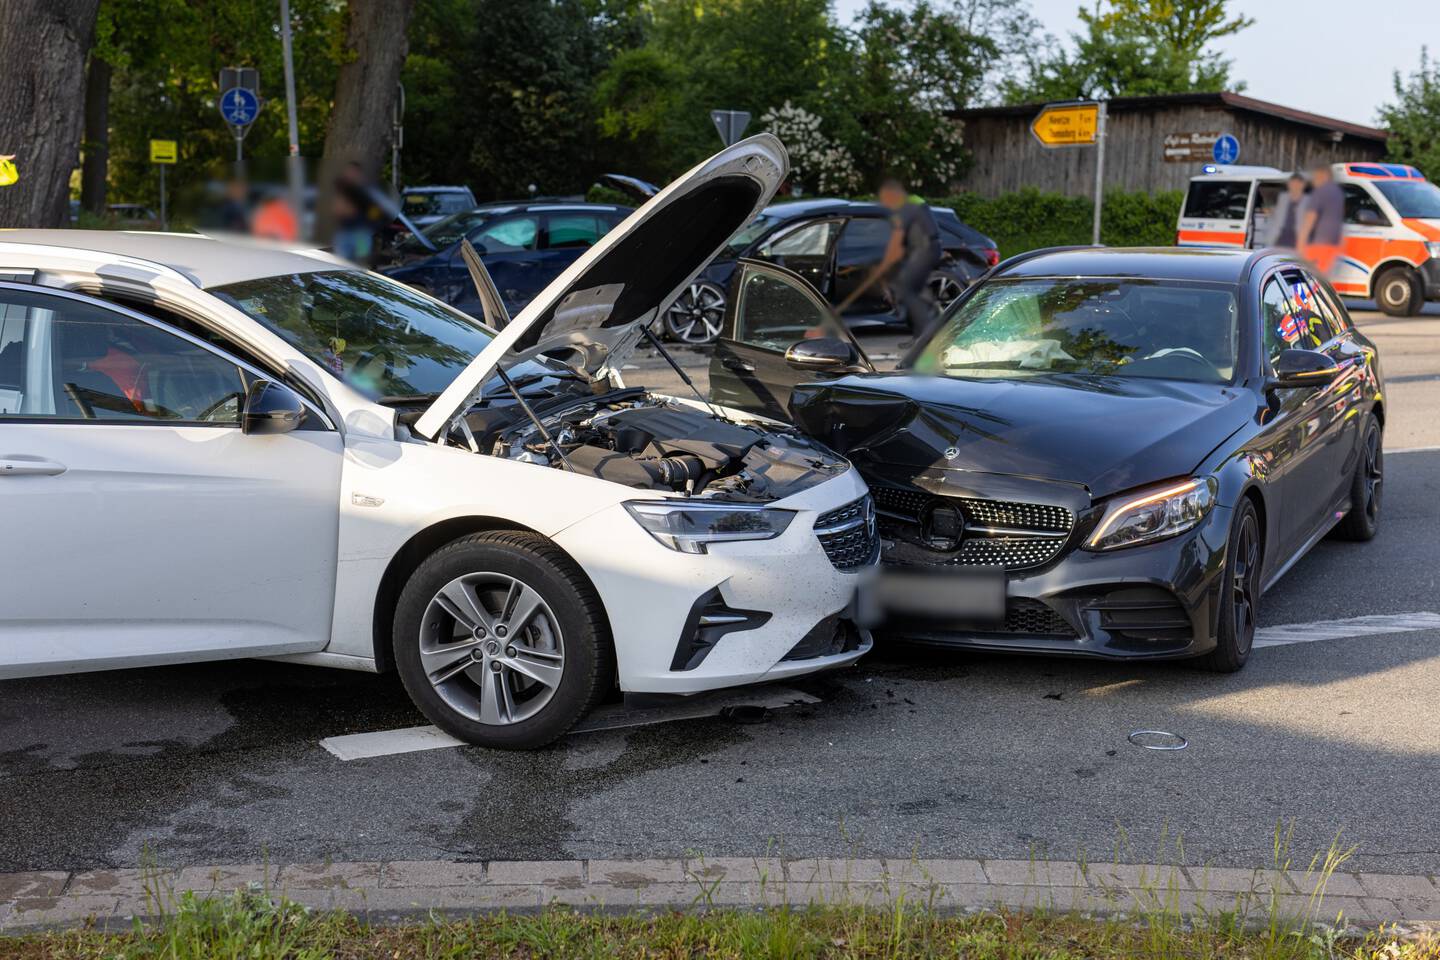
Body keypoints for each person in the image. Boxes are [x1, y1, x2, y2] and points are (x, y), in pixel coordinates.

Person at [876, 177, 942, 343]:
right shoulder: (912, 202)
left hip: (924, 250)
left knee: (907, 289)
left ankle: (926, 338)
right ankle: (923, 331)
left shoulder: (906, 207)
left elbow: (896, 240)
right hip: (924, 249)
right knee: (914, 291)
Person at [1297, 163, 1344, 275]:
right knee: (1323, 277)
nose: (1313, 180)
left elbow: (1310, 218)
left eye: (1315, 176)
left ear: (1323, 176)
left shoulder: (1320, 192)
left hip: (1319, 244)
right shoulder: (1337, 192)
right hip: (1332, 243)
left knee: (1309, 277)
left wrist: (1300, 242)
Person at [1263, 173, 1307, 249]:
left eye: (1297, 184)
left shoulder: (1308, 201)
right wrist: (1271, 212)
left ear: (1302, 185)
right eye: (1292, 184)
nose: (1294, 186)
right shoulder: (1283, 198)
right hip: (1281, 238)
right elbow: (1278, 215)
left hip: (1297, 240)